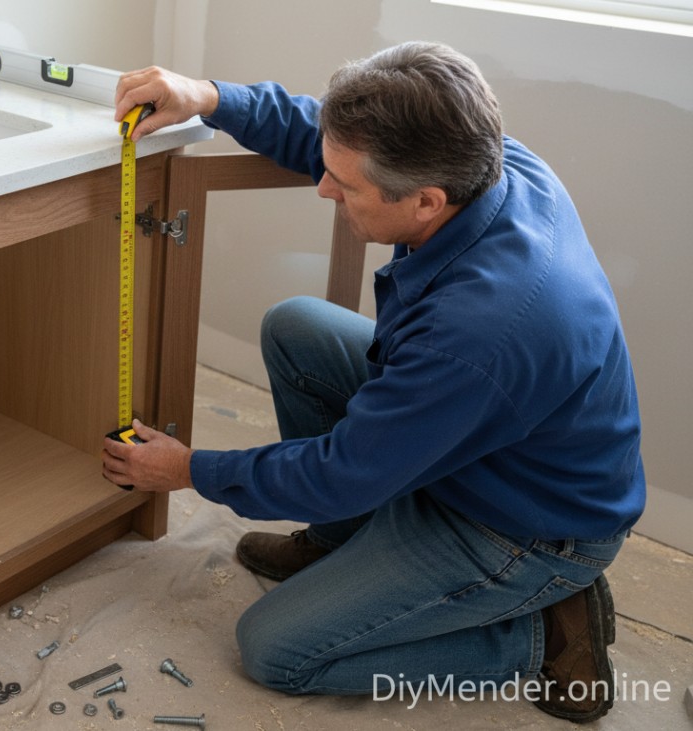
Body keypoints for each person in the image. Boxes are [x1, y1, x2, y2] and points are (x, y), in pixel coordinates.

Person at [101, 42, 644, 723]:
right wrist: (209, 95)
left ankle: (540, 630)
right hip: (480, 439)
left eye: (344, 186)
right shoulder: (485, 161)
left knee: (275, 649)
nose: (325, 189)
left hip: (527, 525)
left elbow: (344, 470)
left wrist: (189, 468)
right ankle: (340, 546)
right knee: (298, 329)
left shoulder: (479, 333)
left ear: (424, 201)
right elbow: (325, 136)